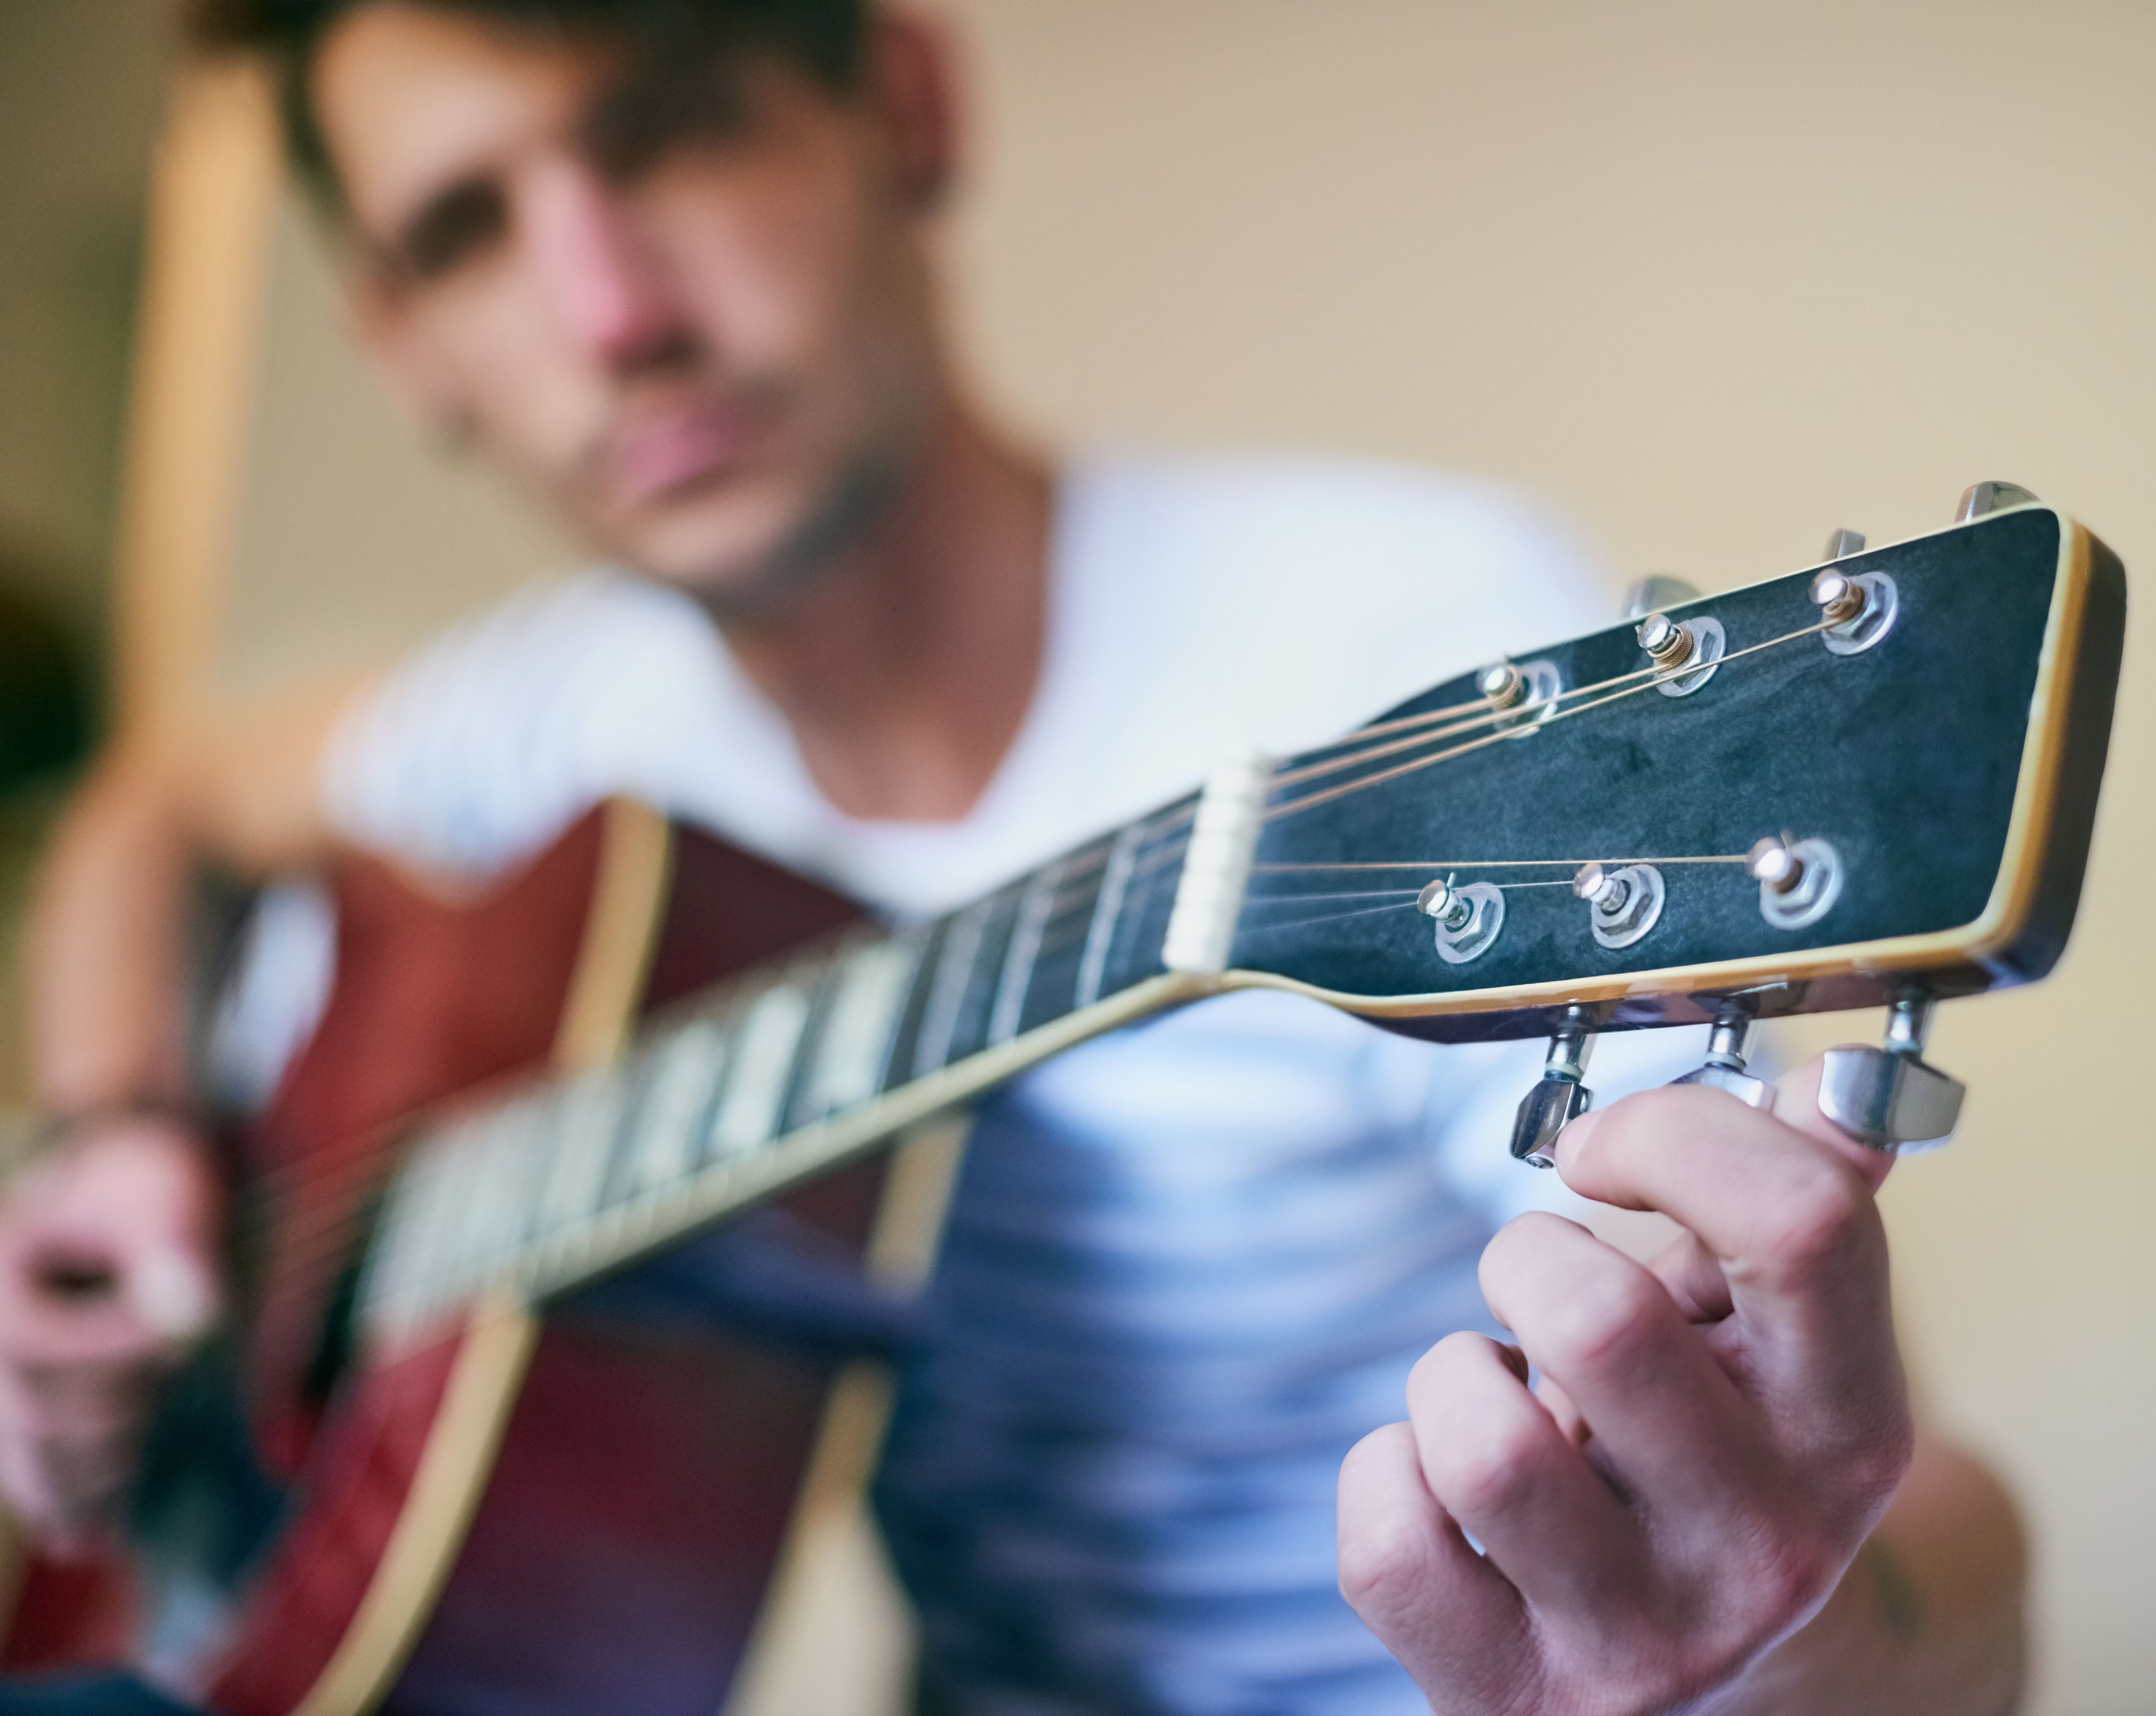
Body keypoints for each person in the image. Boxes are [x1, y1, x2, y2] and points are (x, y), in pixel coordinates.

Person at [3, 1, 2026, 1710]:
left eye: (675, 130)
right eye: (466, 233)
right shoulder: (555, 722)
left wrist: (1764, 1636)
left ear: (905, 103)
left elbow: (1943, 1552)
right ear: (401, 348)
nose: (609, 312)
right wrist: (109, 1146)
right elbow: (151, 810)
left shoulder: (1404, 644)